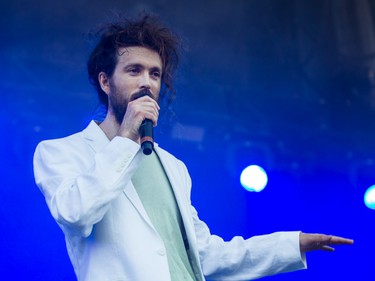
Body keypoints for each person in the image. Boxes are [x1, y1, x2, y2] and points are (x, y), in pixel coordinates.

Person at [33, 14, 353, 281]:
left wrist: (289, 245)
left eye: (155, 74)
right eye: (134, 71)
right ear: (105, 82)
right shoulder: (61, 152)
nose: (147, 82)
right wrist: (125, 139)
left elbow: (203, 255)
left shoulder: (173, 166)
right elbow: (76, 213)